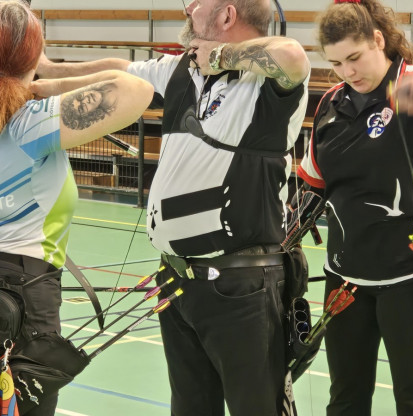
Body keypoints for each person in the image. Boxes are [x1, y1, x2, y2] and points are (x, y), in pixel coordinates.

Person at [37, 0, 311, 414]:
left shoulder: (265, 81)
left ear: (227, 15)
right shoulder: (181, 69)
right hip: (177, 281)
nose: (189, 9)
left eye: (197, 2)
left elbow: (292, 56)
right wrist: (44, 75)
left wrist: (219, 56)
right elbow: (116, 72)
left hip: (242, 287)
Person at [0, 1, 154, 415]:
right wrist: (48, 81)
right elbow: (136, 89)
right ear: (32, 56)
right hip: (23, 290)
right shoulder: (30, 123)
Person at [296, 0, 413, 415]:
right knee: (345, 399)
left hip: (408, 277)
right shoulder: (331, 103)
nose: (348, 71)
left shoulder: (410, 87)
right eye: (336, 63)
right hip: (345, 280)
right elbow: (313, 184)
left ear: (378, 40)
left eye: (355, 57)